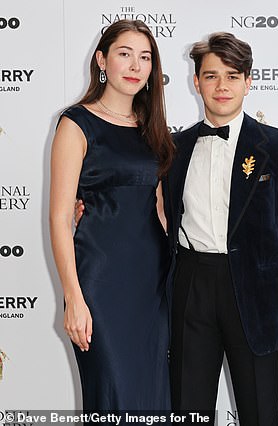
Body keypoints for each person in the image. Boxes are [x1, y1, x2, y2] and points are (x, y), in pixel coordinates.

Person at [163, 32, 278, 424]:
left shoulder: (277, 145)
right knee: (188, 409)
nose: (221, 86)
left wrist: (257, 258)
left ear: (248, 81)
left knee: (260, 410)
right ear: (196, 83)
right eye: (211, 76)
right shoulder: (174, 149)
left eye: (231, 76)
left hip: (252, 288)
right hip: (191, 284)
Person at [49, 19, 174, 411]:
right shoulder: (76, 123)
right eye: (125, 54)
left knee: (152, 401)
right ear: (102, 60)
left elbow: (160, 209)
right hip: (100, 285)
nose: (136, 66)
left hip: (152, 286)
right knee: (113, 398)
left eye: (145, 57)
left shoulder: (151, 128)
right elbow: (58, 217)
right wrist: (73, 297)